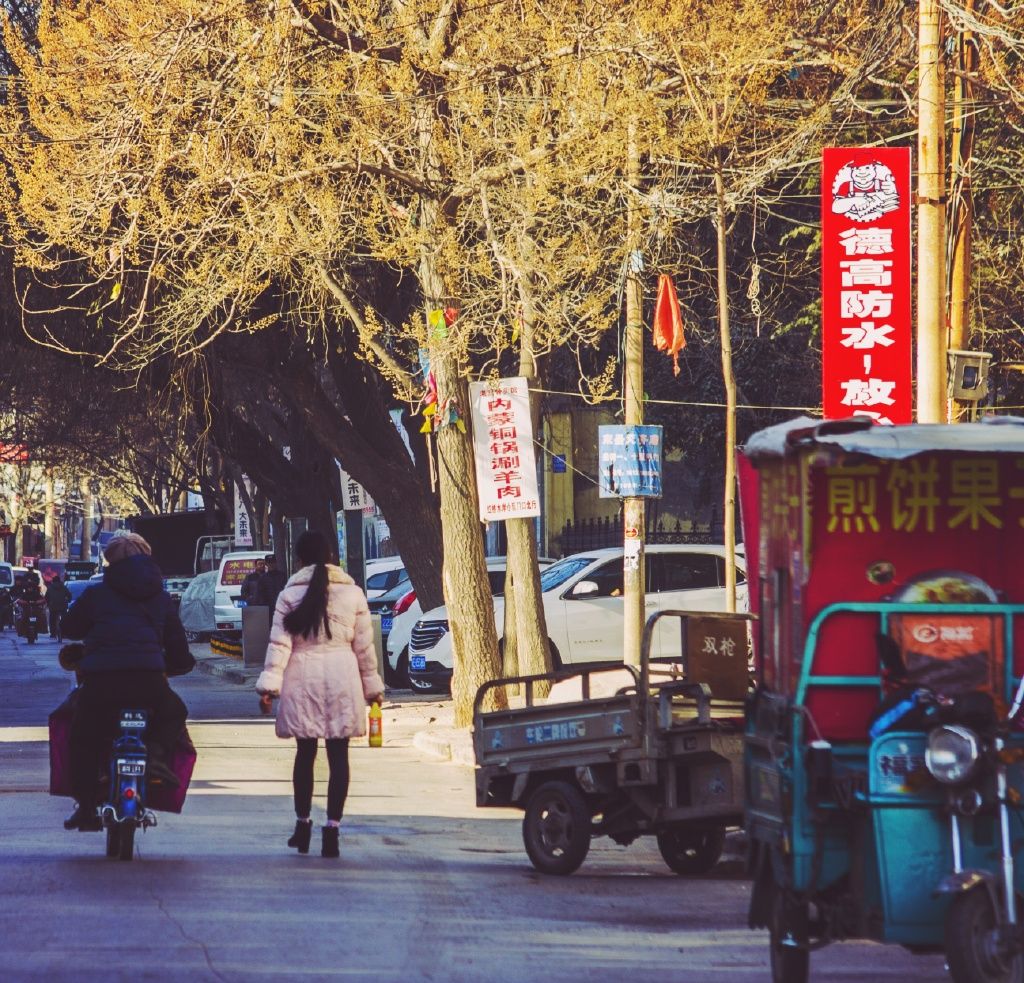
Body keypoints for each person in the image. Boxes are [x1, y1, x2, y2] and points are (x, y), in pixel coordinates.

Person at [256, 531, 384, 858]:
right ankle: (333, 832)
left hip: (302, 677)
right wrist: (373, 690)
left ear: (299, 560)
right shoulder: (353, 594)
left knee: (305, 754)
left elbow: (279, 646)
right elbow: (365, 649)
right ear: (331, 557)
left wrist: (270, 687)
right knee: (339, 757)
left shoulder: (288, 596)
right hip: (343, 677)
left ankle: (302, 825)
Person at [61, 531, 192, 831]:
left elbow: (69, 627)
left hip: (102, 685)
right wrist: (176, 665)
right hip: (149, 683)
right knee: (175, 711)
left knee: (82, 737)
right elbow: (178, 646)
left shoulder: (96, 594)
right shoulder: (160, 597)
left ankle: (86, 808)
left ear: (110, 561)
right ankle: (156, 754)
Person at [46, 575, 72, 640]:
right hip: (63, 606)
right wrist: (68, 600)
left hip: (53, 606)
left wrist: (48, 604)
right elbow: (69, 595)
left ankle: (53, 634)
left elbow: (46, 597)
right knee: (65, 619)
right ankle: (64, 633)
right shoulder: (64, 587)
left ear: (53, 581)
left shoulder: (50, 588)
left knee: (52, 620)